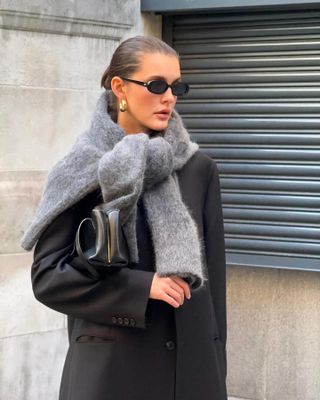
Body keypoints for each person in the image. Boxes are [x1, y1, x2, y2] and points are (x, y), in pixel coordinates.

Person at [21, 36, 227, 400]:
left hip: (191, 375)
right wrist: (141, 287)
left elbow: (213, 293)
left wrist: (215, 372)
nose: (169, 97)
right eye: (156, 85)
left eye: (176, 86)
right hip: (110, 376)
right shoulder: (81, 170)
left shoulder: (199, 170)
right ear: (120, 88)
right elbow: (49, 278)